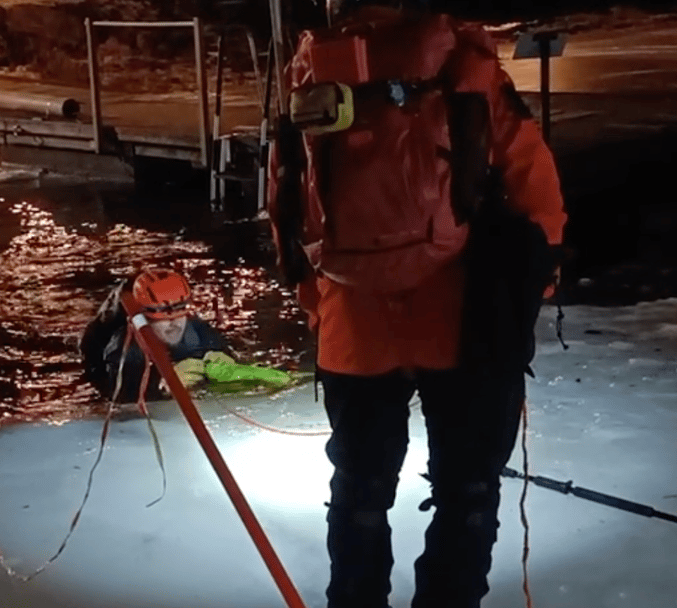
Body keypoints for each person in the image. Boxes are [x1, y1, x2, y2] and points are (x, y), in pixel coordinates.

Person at [267, 1, 567, 607]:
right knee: (468, 490)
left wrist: (320, 306)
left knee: (359, 488)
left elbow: (286, 213)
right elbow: (538, 196)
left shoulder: (316, 74)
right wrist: (528, 296)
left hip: (353, 324)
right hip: (463, 321)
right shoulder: (466, 68)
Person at [80, 267, 233, 404]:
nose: (174, 323)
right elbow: (121, 398)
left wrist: (226, 368)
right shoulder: (126, 351)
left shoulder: (199, 333)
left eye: (179, 313)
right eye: (164, 319)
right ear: (145, 320)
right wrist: (163, 386)